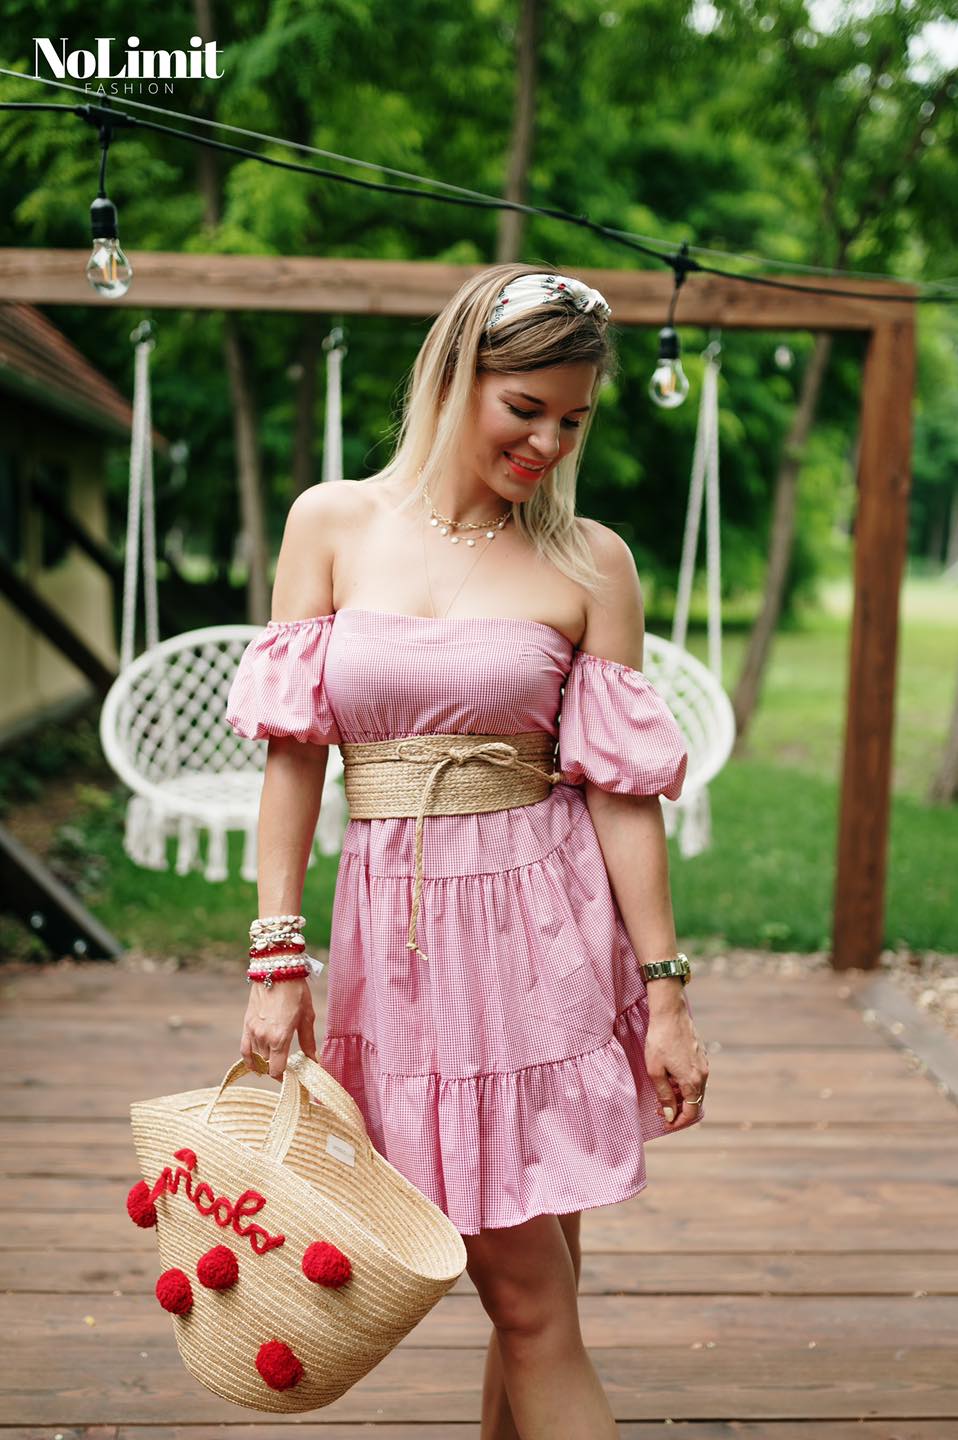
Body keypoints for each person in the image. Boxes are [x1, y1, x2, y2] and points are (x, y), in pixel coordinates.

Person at [225, 262, 709, 1440]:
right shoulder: (331, 523)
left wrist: (665, 993)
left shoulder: (591, 561)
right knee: (534, 1295)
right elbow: (293, 756)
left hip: (547, 935)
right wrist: (276, 957)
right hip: (399, 947)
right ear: (454, 375)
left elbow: (619, 795)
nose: (548, 444)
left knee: (532, 1299)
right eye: (525, 408)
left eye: (572, 421)